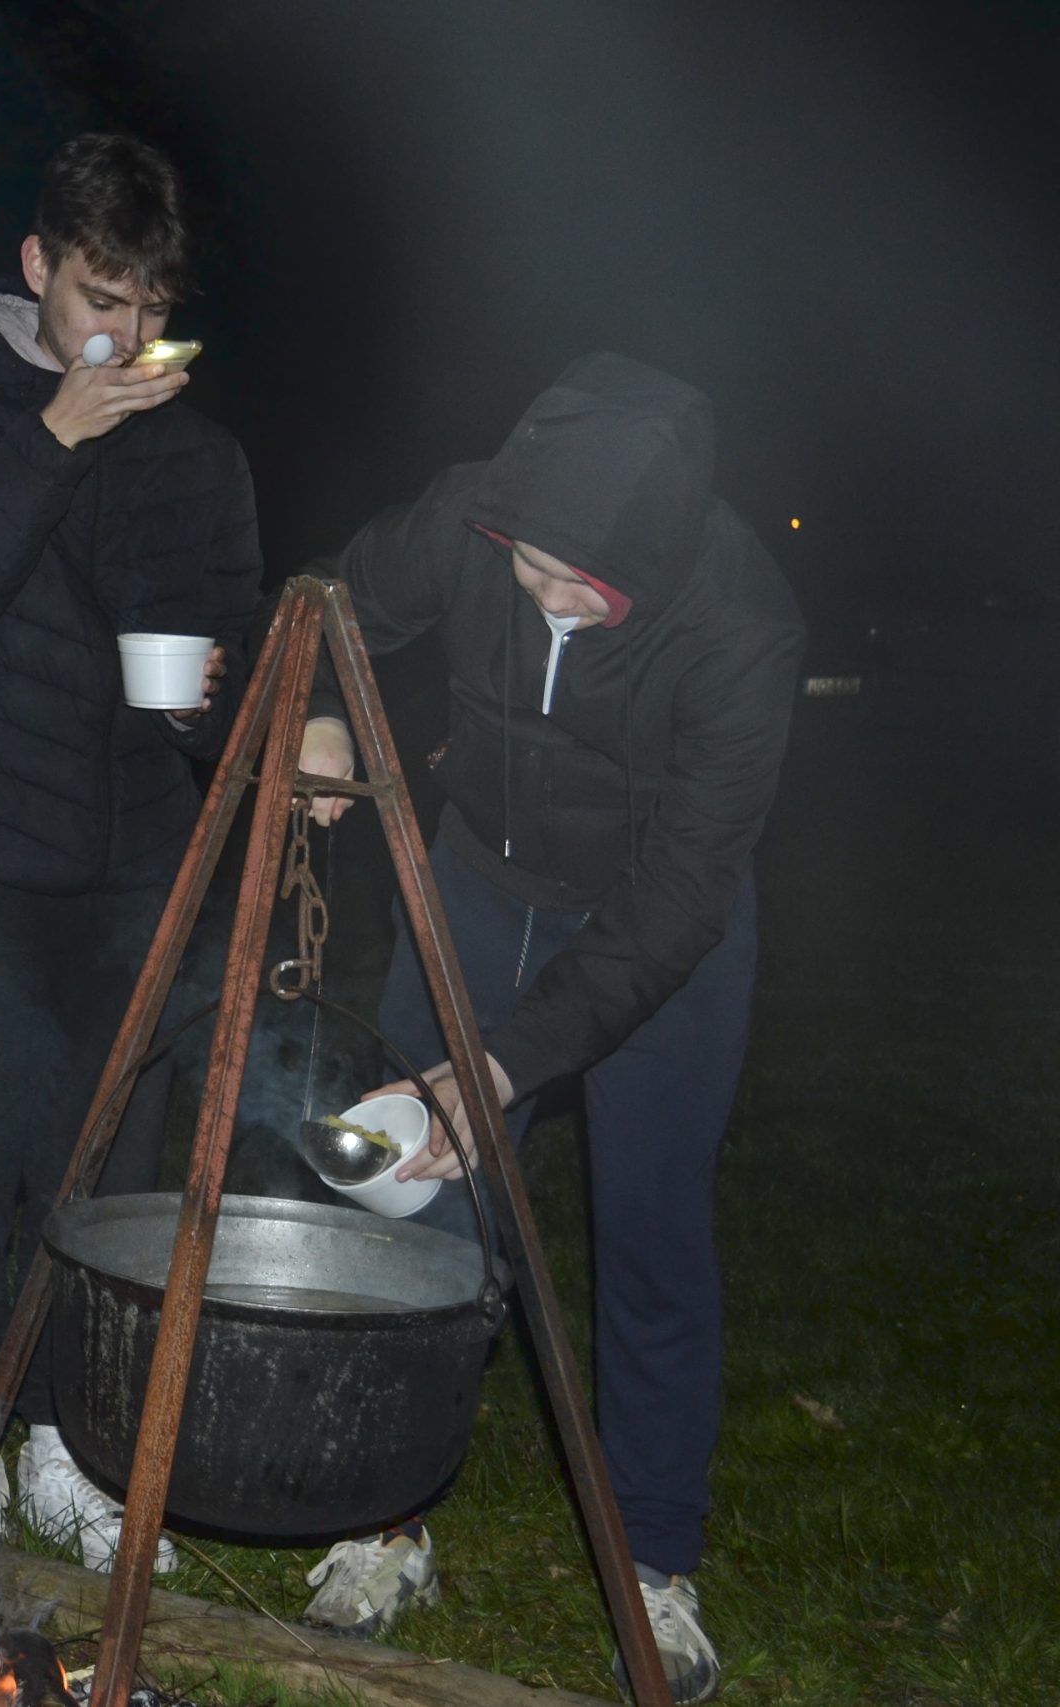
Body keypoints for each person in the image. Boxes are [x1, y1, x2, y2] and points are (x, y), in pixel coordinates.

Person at [294, 353, 803, 1702]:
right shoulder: (475, 519)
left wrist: (501, 1064)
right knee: (414, 1205)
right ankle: (387, 1517)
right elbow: (334, 597)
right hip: (478, 886)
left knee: (651, 1231)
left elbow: (684, 892)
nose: (546, 597)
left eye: (584, 586)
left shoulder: (741, 620)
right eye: (532, 566)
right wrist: (327, 708)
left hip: (657, 929)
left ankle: (655, 1560)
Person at [0, 133, 264, 1570]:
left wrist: (220, 705)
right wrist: (55, 436)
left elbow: (233, 636)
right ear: (37, 267)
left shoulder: (201, 454)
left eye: (151, 305)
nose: (127, 333)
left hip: (133, 871)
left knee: (100, 1182)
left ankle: (67, 1447)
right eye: (102, 296)